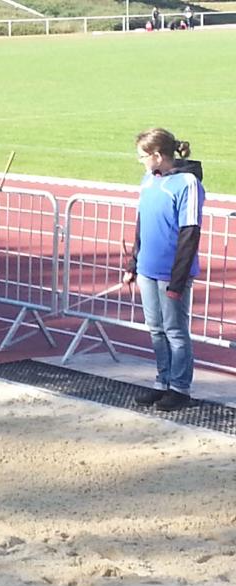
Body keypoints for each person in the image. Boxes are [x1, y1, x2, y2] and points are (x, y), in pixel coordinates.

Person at [123, 128, 205, 412]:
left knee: (175, 331)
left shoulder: (187, 183)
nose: (141, 161)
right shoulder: (148, 180)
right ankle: (163, 381)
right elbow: (141, 224)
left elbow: (189, 234)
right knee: (156, 330)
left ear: (158, 155)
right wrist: (133, 264)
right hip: (147, 269)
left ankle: (180, 388)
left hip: (172, 274)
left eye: (142, 156)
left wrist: (177, 281)